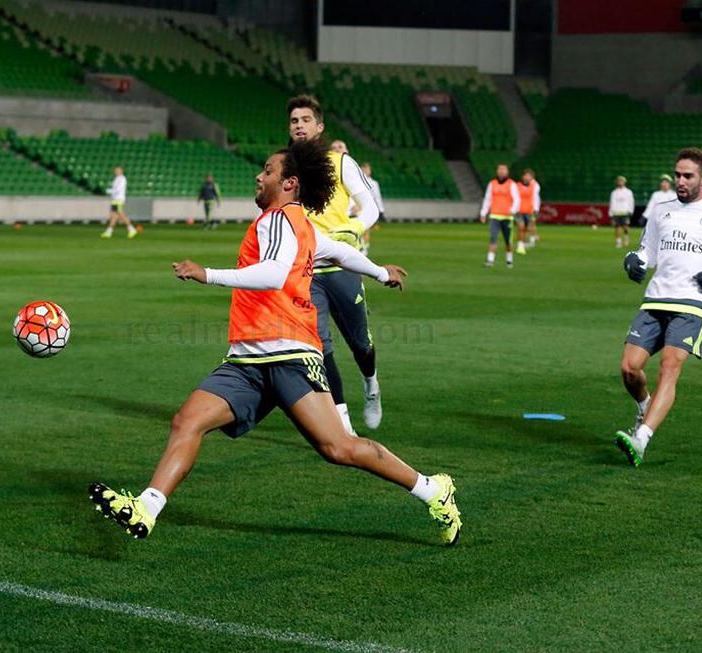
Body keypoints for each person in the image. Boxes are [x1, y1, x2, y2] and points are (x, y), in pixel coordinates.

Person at [88, 139, 462, 545]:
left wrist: (207, 273)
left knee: (338, 448)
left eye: (267, 171)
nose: (259, 176)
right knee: (187, 421)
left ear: (289, 183)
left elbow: (274, 274)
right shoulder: (300, 225)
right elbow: (338, 251)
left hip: (290, 354)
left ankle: (432, 488)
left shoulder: (279, 219)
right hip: (247, 359)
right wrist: (378, 271)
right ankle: (147, 507)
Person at [616, 147, 702, 466]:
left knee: (669, 368)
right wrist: (634, 261)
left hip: (693, 305)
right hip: (656, 298)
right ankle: (645, 406)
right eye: (677, 175)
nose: (680, 181)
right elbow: (647, 252)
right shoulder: (661, 209)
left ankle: (642, 438)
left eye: (687, 176)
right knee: (629, 369)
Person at [288, 95, 383, 434]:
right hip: (305, 272)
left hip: (343, 266)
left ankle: (371, 384)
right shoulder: (285, 165)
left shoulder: (340, 162)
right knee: (320, 346)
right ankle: (342, 423)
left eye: (305, 120)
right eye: (294, 121)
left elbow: (369, 207)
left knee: (360, 343)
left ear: (319, 126)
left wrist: (354, 227)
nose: (299, 125)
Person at [479, 163, 520, 267]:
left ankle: (509, 259)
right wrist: (483, 213)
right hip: (494, 216)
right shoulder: (492, 184)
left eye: (504, 170)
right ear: (497, 171)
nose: (501, 172)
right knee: (493, 237)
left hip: (507, 217)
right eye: (500, 170)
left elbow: (516, 199)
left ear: (507, 172)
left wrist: (513, 210)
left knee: (508, 241)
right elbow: (487, 199)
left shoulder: (512, 184)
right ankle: (490, 260)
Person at [101, 166, 136, 239]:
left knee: (121, 214)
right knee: (113, 215)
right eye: (115, 170)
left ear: (121, 171)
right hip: (114, 199)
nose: (116, 171)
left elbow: (118, 189)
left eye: (118, 170)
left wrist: (108, 191)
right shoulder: (116, 179)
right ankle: (109, 232)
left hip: (119, 199)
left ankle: (131, 229)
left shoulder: (122, 179)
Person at [516, 169, 541, 253]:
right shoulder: (517, 185)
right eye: (526, 175)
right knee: (521, 227)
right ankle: (520, 245)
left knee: (528, 228)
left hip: (530, 210)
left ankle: (530, 238)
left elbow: (536, 198)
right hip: (519, 210)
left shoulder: (535, 186)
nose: (527, 177)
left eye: (529, 176)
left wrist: (536, 209)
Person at [609, 176, 635, 248]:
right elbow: (612, 202)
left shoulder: (628, 192)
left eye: (622, 181)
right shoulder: (614, 192)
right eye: (619, 181)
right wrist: (611, 212)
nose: (620, 182)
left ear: (624, 182)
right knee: (617, 227)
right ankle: (618, 241)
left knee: (625, 226)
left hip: (625, 212)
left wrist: (631, 210)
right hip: (616, 212)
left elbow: (631, 202)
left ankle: (626, 238)